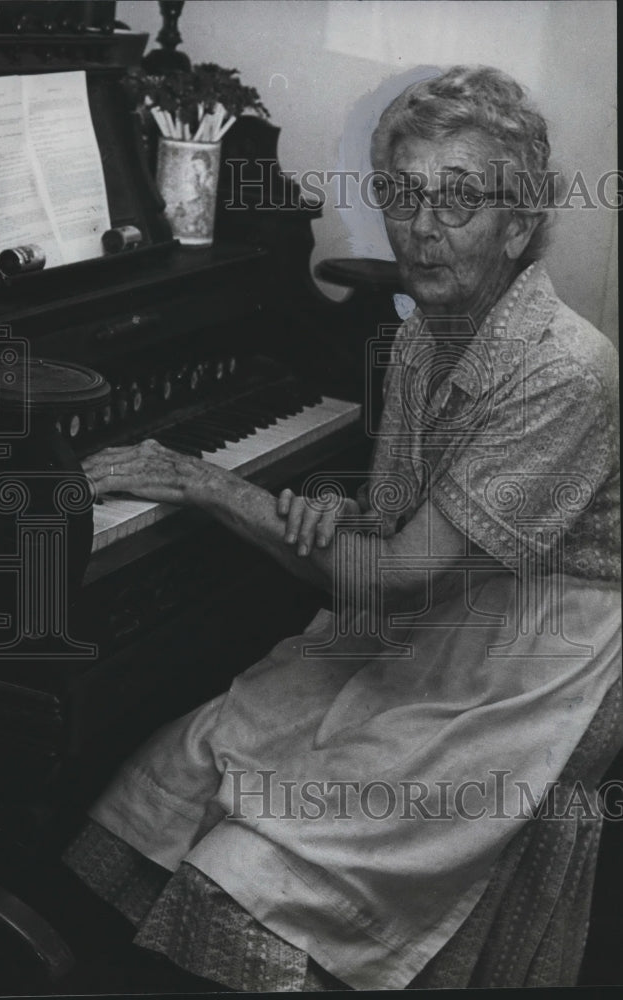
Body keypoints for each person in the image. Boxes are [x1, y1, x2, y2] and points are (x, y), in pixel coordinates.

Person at [64, 66, 620, 991]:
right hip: (448, 599)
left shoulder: (564, 370)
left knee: (262, 862)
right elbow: (399, 529)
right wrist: (343, 513)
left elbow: (396, 576)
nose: (421, 228)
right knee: (185, 764)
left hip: (544, 642)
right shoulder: (421, 330)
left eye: (457, 202)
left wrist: (209, 484)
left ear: (518, 225)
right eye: (401, 196)